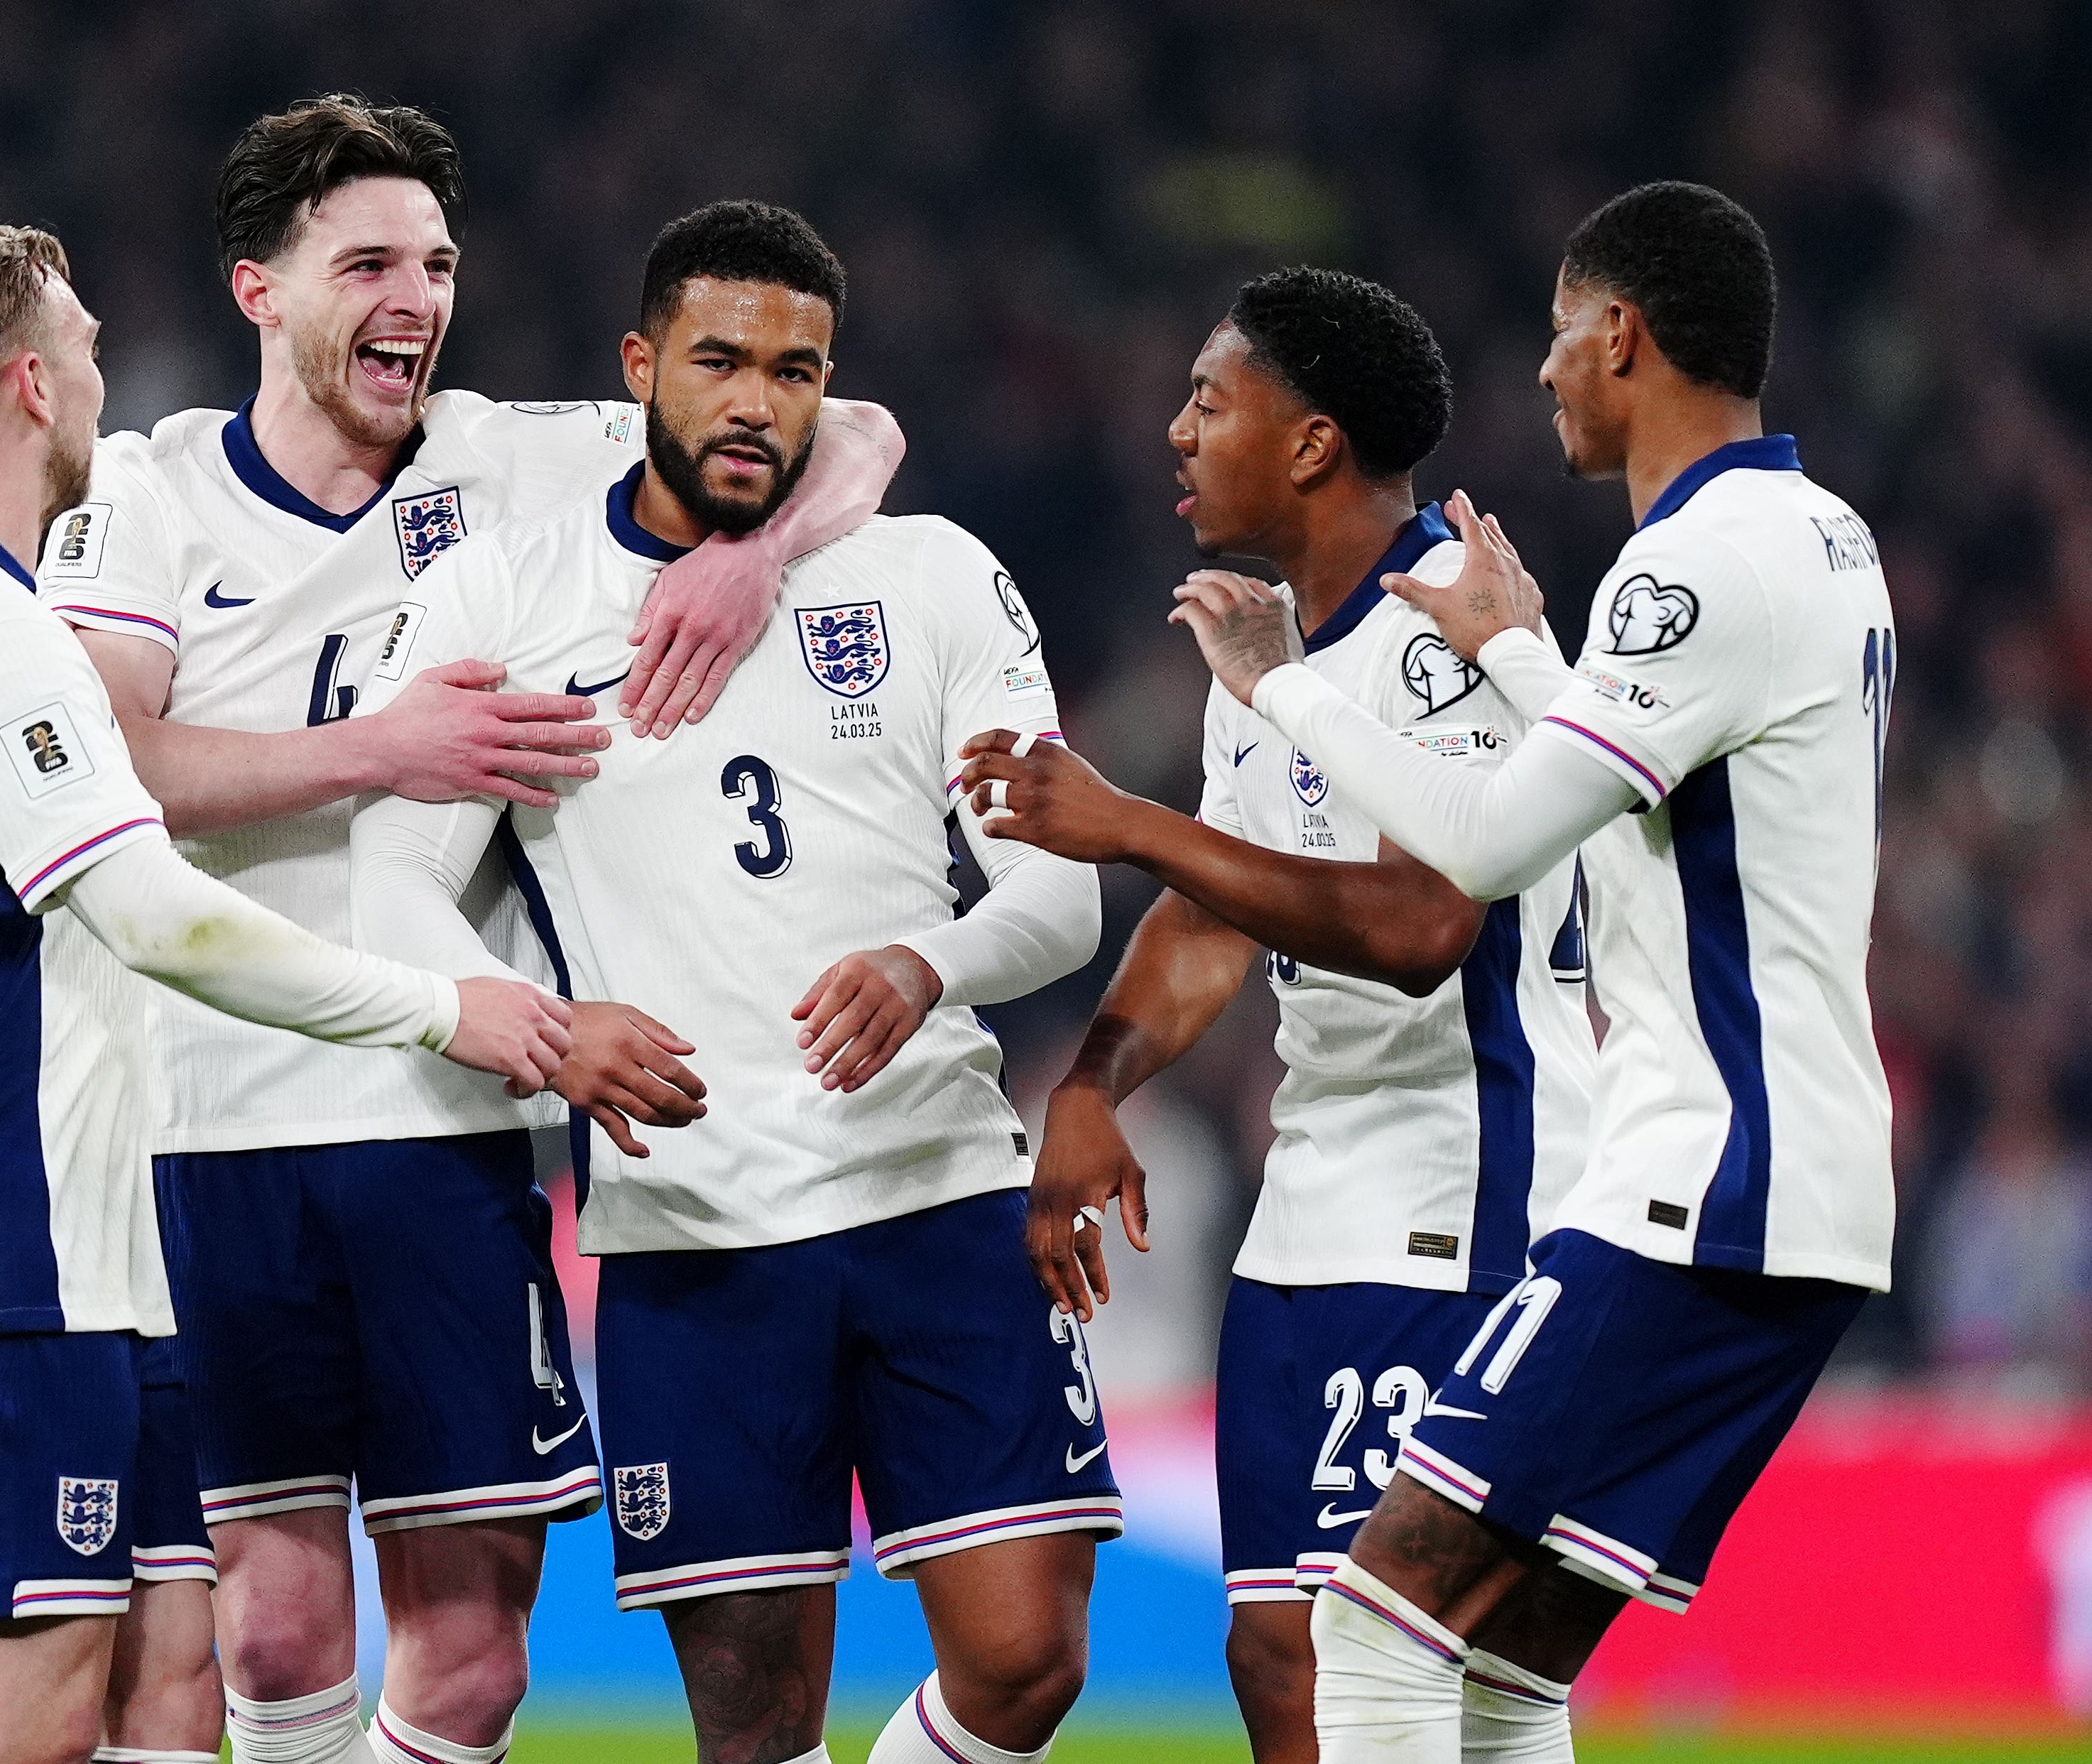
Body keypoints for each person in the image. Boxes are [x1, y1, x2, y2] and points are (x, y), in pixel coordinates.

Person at [34, 98, 903, 1764]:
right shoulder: (147, 492)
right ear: (259, 290)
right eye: (368, 264)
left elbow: (855, 428)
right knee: (274, 1632)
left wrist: (759, 557)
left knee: (474, 1659)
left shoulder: (514, 455)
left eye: (436, 264)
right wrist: (381, 749)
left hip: (447, 1108)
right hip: (210, 1120)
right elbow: (114, 762)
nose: (417, 300)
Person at [0, 225, 570, 1764]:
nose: (103, 377)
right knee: (21, 1723)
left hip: (88, 1254)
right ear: (30, 386)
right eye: (83, 347)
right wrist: (436, 1007)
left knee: (167, 1690)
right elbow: (157, 916)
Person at [353, 200, 1113, 1764]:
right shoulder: (507, 596)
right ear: (641, 366)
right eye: (719, 361)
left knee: (1028, 1661)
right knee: (755, 1726)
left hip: (937, 1190)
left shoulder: (930, 575)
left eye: (795, 369)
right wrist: (546, 1034)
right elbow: (394, 884)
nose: (757, 402)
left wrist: (930, 961)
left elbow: (1060, 891)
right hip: (693, 1227)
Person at [1178, 182, 1896, 1760]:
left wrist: (1286, 690)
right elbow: (1642, 800)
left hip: (1702, 1186)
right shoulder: (1823, 534)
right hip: (1790, 1182)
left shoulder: (1689, 563)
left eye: (1564, 333)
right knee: (1500, 1670)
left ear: (1622, 334)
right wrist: (1515, 653)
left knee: (1371, 1623)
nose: (1548, 370)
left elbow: (1489, 843)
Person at [954, 268, 1595, 1763]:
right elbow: (1211, 914)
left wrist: (1132, 825)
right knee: (1284, 1655)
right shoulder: (1274, 653)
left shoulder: (1447, 630)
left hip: (1461, 1202)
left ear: (1310, 444)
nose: (1176, 432)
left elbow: (1424, 926)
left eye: (1208, 401)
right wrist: (1094, 1081)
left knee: (1384, 1658)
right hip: (1313, 1208)